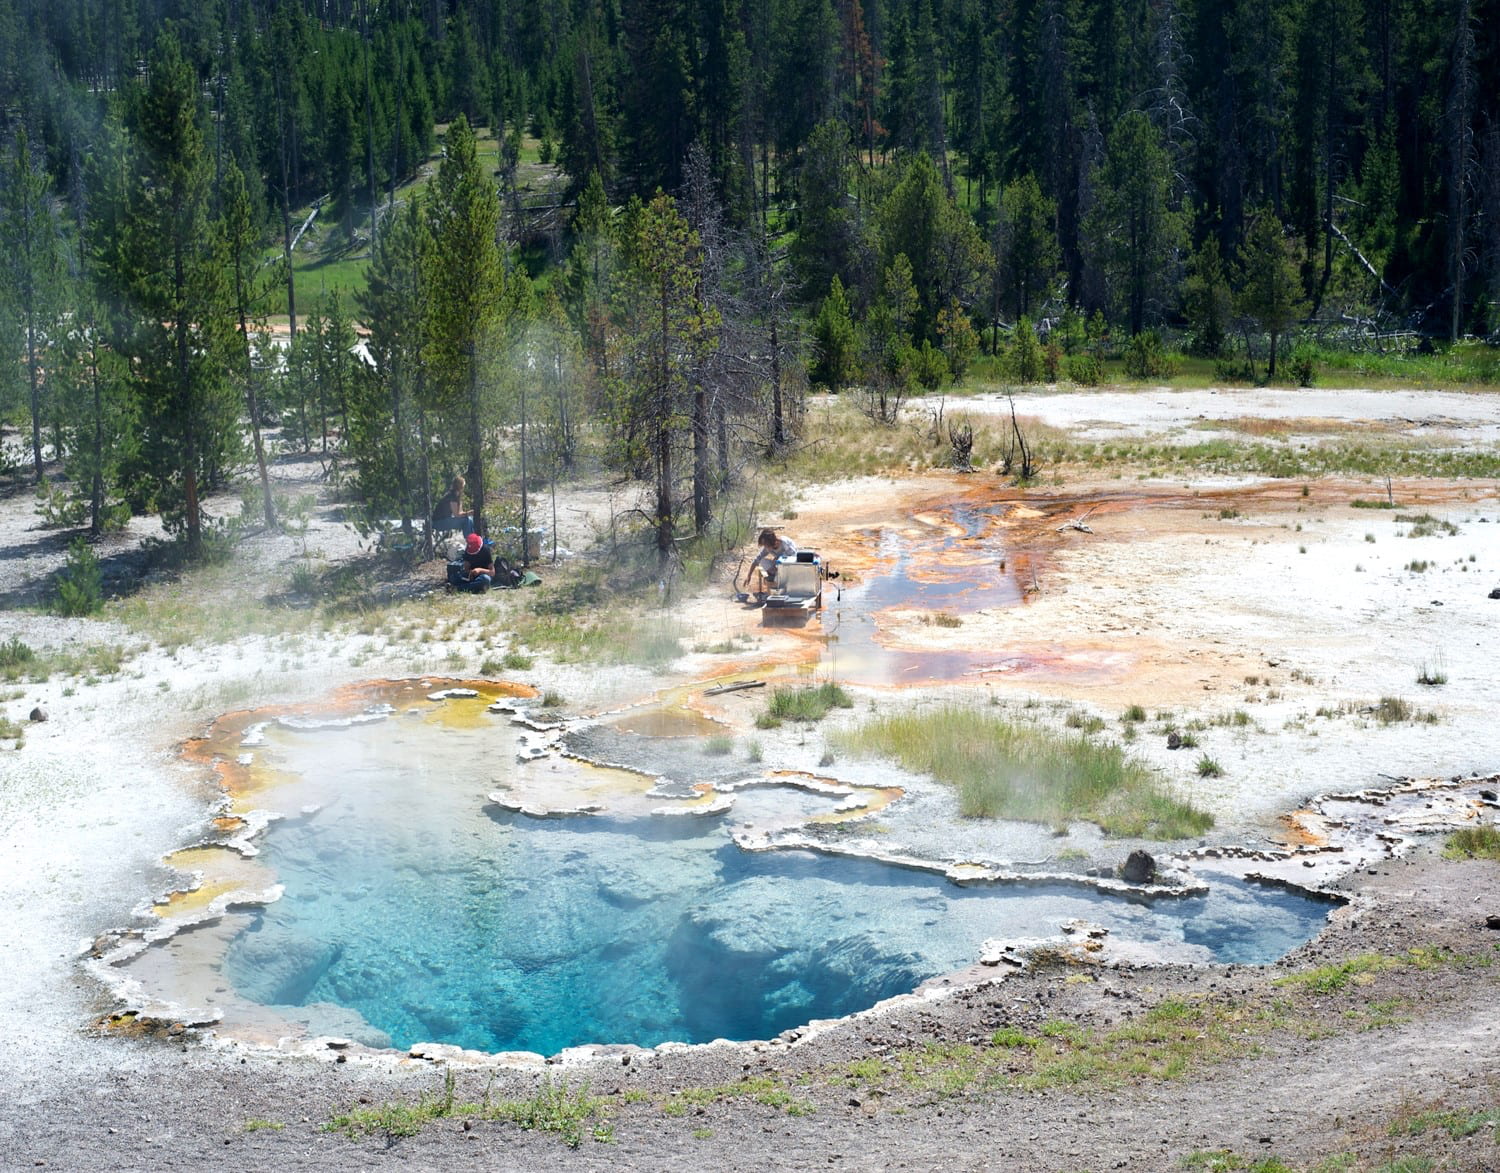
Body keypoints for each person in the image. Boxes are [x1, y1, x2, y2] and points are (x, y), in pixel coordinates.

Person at [740, 528, 797, 601]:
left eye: (766, 545)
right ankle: (774, 578)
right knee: (762, 561)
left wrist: (779, 559)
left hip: (790, 566)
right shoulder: (767, 548)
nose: (765, 547)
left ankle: (782, 583)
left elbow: (794, 557)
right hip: (778, 567)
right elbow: (757, 559)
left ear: (772, 542)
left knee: (778, 562)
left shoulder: (784, 543)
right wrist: (749, 575)